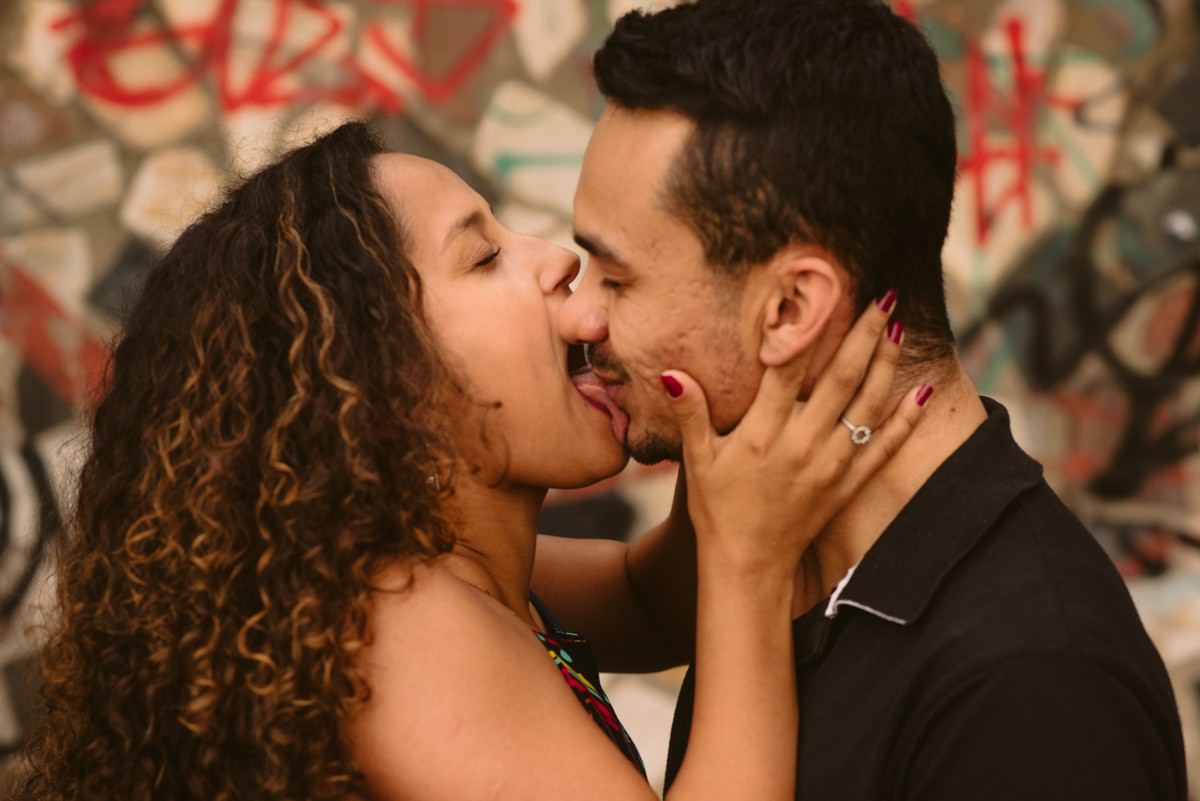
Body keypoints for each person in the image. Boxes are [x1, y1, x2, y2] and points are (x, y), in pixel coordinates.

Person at [15, 122, 925, 801]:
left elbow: (652, 601)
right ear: (382, 379)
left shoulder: (459, 576)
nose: (555, 260)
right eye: (485, 255)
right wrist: (750, 560)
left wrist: (727, 387)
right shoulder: (400, 627)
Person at [533, 1, 1189, 798]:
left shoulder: (1033, 688)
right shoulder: (772, 540)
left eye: (616, 277)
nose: (582, 314)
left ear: (789, 309)